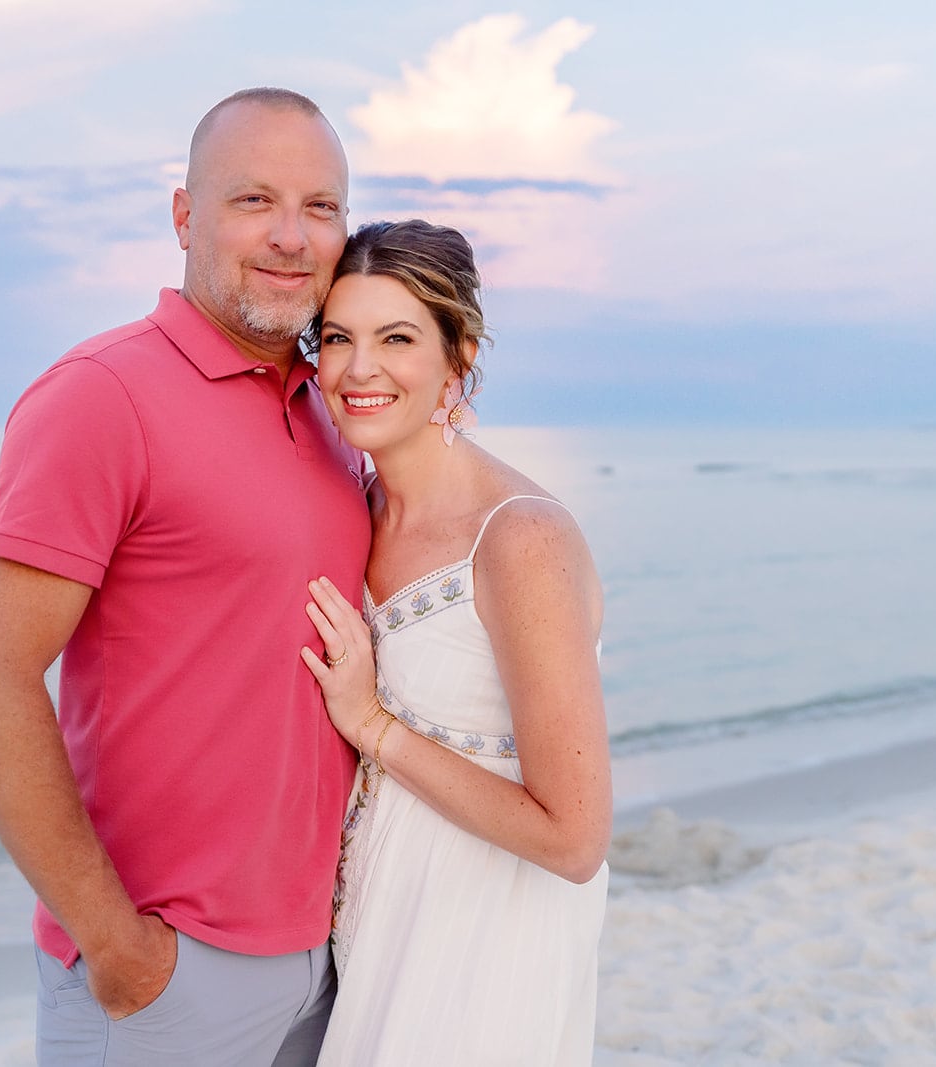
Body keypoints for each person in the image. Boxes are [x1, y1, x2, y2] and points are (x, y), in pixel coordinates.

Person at [0, 88, 371, 1066]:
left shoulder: (335, 412)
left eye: (320, 207)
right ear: (184, 215)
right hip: (167, 973)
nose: (291, 236)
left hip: (327, 956)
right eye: (253, 200)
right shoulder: (101, 396)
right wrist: (118, 945)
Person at [298, 219, 612, 1065]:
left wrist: (373, 724)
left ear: (457, 359)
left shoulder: (520, 538)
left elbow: (576, 837)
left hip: (489, 937)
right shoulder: (355, 510)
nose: (359, 368)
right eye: (338, 338)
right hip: (381, 923)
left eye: (396, 338)